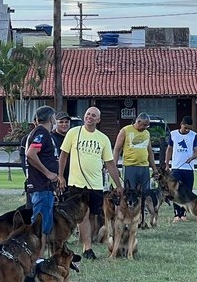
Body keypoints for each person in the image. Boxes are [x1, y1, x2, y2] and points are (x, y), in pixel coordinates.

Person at [58, 106, 122, 260]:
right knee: (83, 215)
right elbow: (63, 155)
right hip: (77, 183)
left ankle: (86, 241)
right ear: (84, 116)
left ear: (98, 120)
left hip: (96, 184)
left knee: (93, 215)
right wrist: (60, 176)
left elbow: (110, 164)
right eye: (88, 114)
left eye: (94, 115)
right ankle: (88, 248)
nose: (90, 117)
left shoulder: (103, 138)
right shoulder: (73, 133)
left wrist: (118, 184)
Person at [24, 106, 61, 247]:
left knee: (44, 225)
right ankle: (37, 259)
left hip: (44, 187)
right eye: (55, 118)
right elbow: (30, 153)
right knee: (40, 227)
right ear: (51, 118)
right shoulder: (41, 132)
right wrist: (48, 173)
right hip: (42, 186)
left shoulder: (41, 133)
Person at [113, 112, 159, 223]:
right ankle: (128, 217)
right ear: (138, 122)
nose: (145, 127)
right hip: (130, 166)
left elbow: (150, 152)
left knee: (144, 193)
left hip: (144, 167)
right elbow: (117, 149)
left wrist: (154, 169)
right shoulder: (125, 130)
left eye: (147, 125)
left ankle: (142, 218)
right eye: (144, 125)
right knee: (130, 193)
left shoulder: (147, 134)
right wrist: (114, 166)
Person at [165, 116, 197, 222]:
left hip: (188, 169)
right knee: (175, 192)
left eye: (188, 128)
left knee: (186, 192)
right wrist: (167, 164)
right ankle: (177, 214)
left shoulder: (193, 135)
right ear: (181, 124)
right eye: (185, 127)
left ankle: (184, 214)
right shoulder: (173, 134)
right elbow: (169, 149)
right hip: (176, 167)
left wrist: (192, 157)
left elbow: (196, 151)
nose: (187, 130)